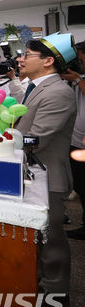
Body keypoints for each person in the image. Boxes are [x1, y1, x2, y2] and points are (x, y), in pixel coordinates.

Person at [14, 34, 78, 305]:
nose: (20, 59)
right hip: (32, 172)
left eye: (27, 55)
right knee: (38, 234)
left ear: (49, 61)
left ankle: (56, 291)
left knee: (51, 236)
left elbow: (36, 139)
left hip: (47, 174)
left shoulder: (58, 92)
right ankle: (40, 278)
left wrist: (0, 143)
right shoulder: (37, 87)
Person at [61, 41, 85, 240]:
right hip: (76, 141)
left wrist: (77, 80)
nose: (79, 62)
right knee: (80, 184)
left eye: (80, 58)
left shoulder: (80, 80)